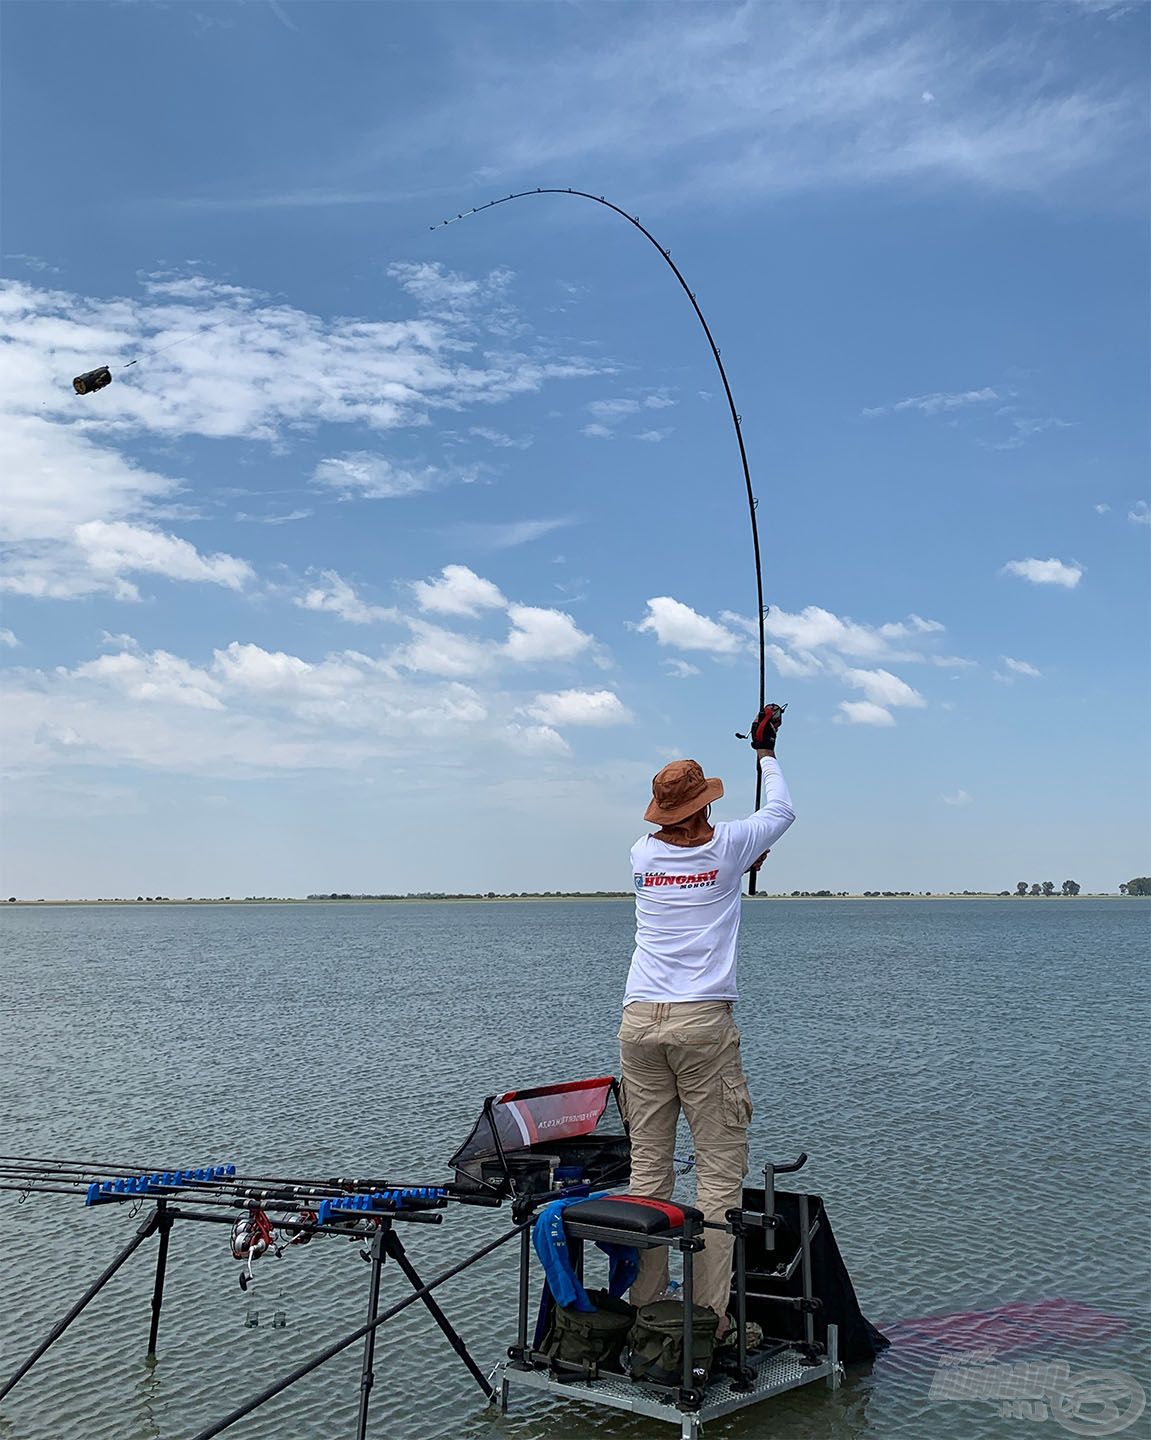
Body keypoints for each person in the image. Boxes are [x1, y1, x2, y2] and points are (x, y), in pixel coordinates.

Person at [619, 704, 795, 1328]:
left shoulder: (642, 852)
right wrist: (765, 753)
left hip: (639, 1020)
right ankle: (706, 1320)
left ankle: (644, 1308)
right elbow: (781, 813)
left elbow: (697, 863)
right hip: (701, 1024)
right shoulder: (728, 846)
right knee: (718, 1177)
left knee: (649, 1168)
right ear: (706, 806)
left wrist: (738, 862)